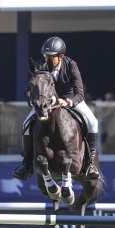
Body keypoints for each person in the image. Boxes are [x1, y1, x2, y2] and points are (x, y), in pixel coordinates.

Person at [12, 37, 100, 181]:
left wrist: (68, 102)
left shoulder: (71, 65)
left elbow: (80, 93)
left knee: (93, 122)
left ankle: (90, 164)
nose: (46, 60)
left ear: (61, 56)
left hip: (70, 100)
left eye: (50, 57)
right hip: (45, 103)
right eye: (45, 56)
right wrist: (33, 101)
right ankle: (26, 164)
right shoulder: (40, 66)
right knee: (25, 125)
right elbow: (28, 91)